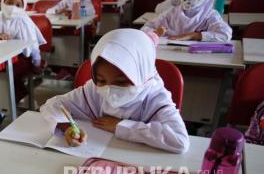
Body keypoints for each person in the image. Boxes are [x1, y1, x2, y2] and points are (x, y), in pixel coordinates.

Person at [40, 29, 190, 153]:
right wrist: (67, 126)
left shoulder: (154, 96)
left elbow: (179, 140)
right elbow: (53, 104)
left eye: (120, 81)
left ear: (142, 75)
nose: (110, 89)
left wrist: (122, 126)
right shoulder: (94, 88)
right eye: (102, 80)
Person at [142, 0, 232, 42]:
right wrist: (155, 32)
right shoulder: (173, 12)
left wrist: (194, 35)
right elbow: (145, 28)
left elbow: (225, 34)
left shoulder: (210, 15)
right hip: (172, 54)